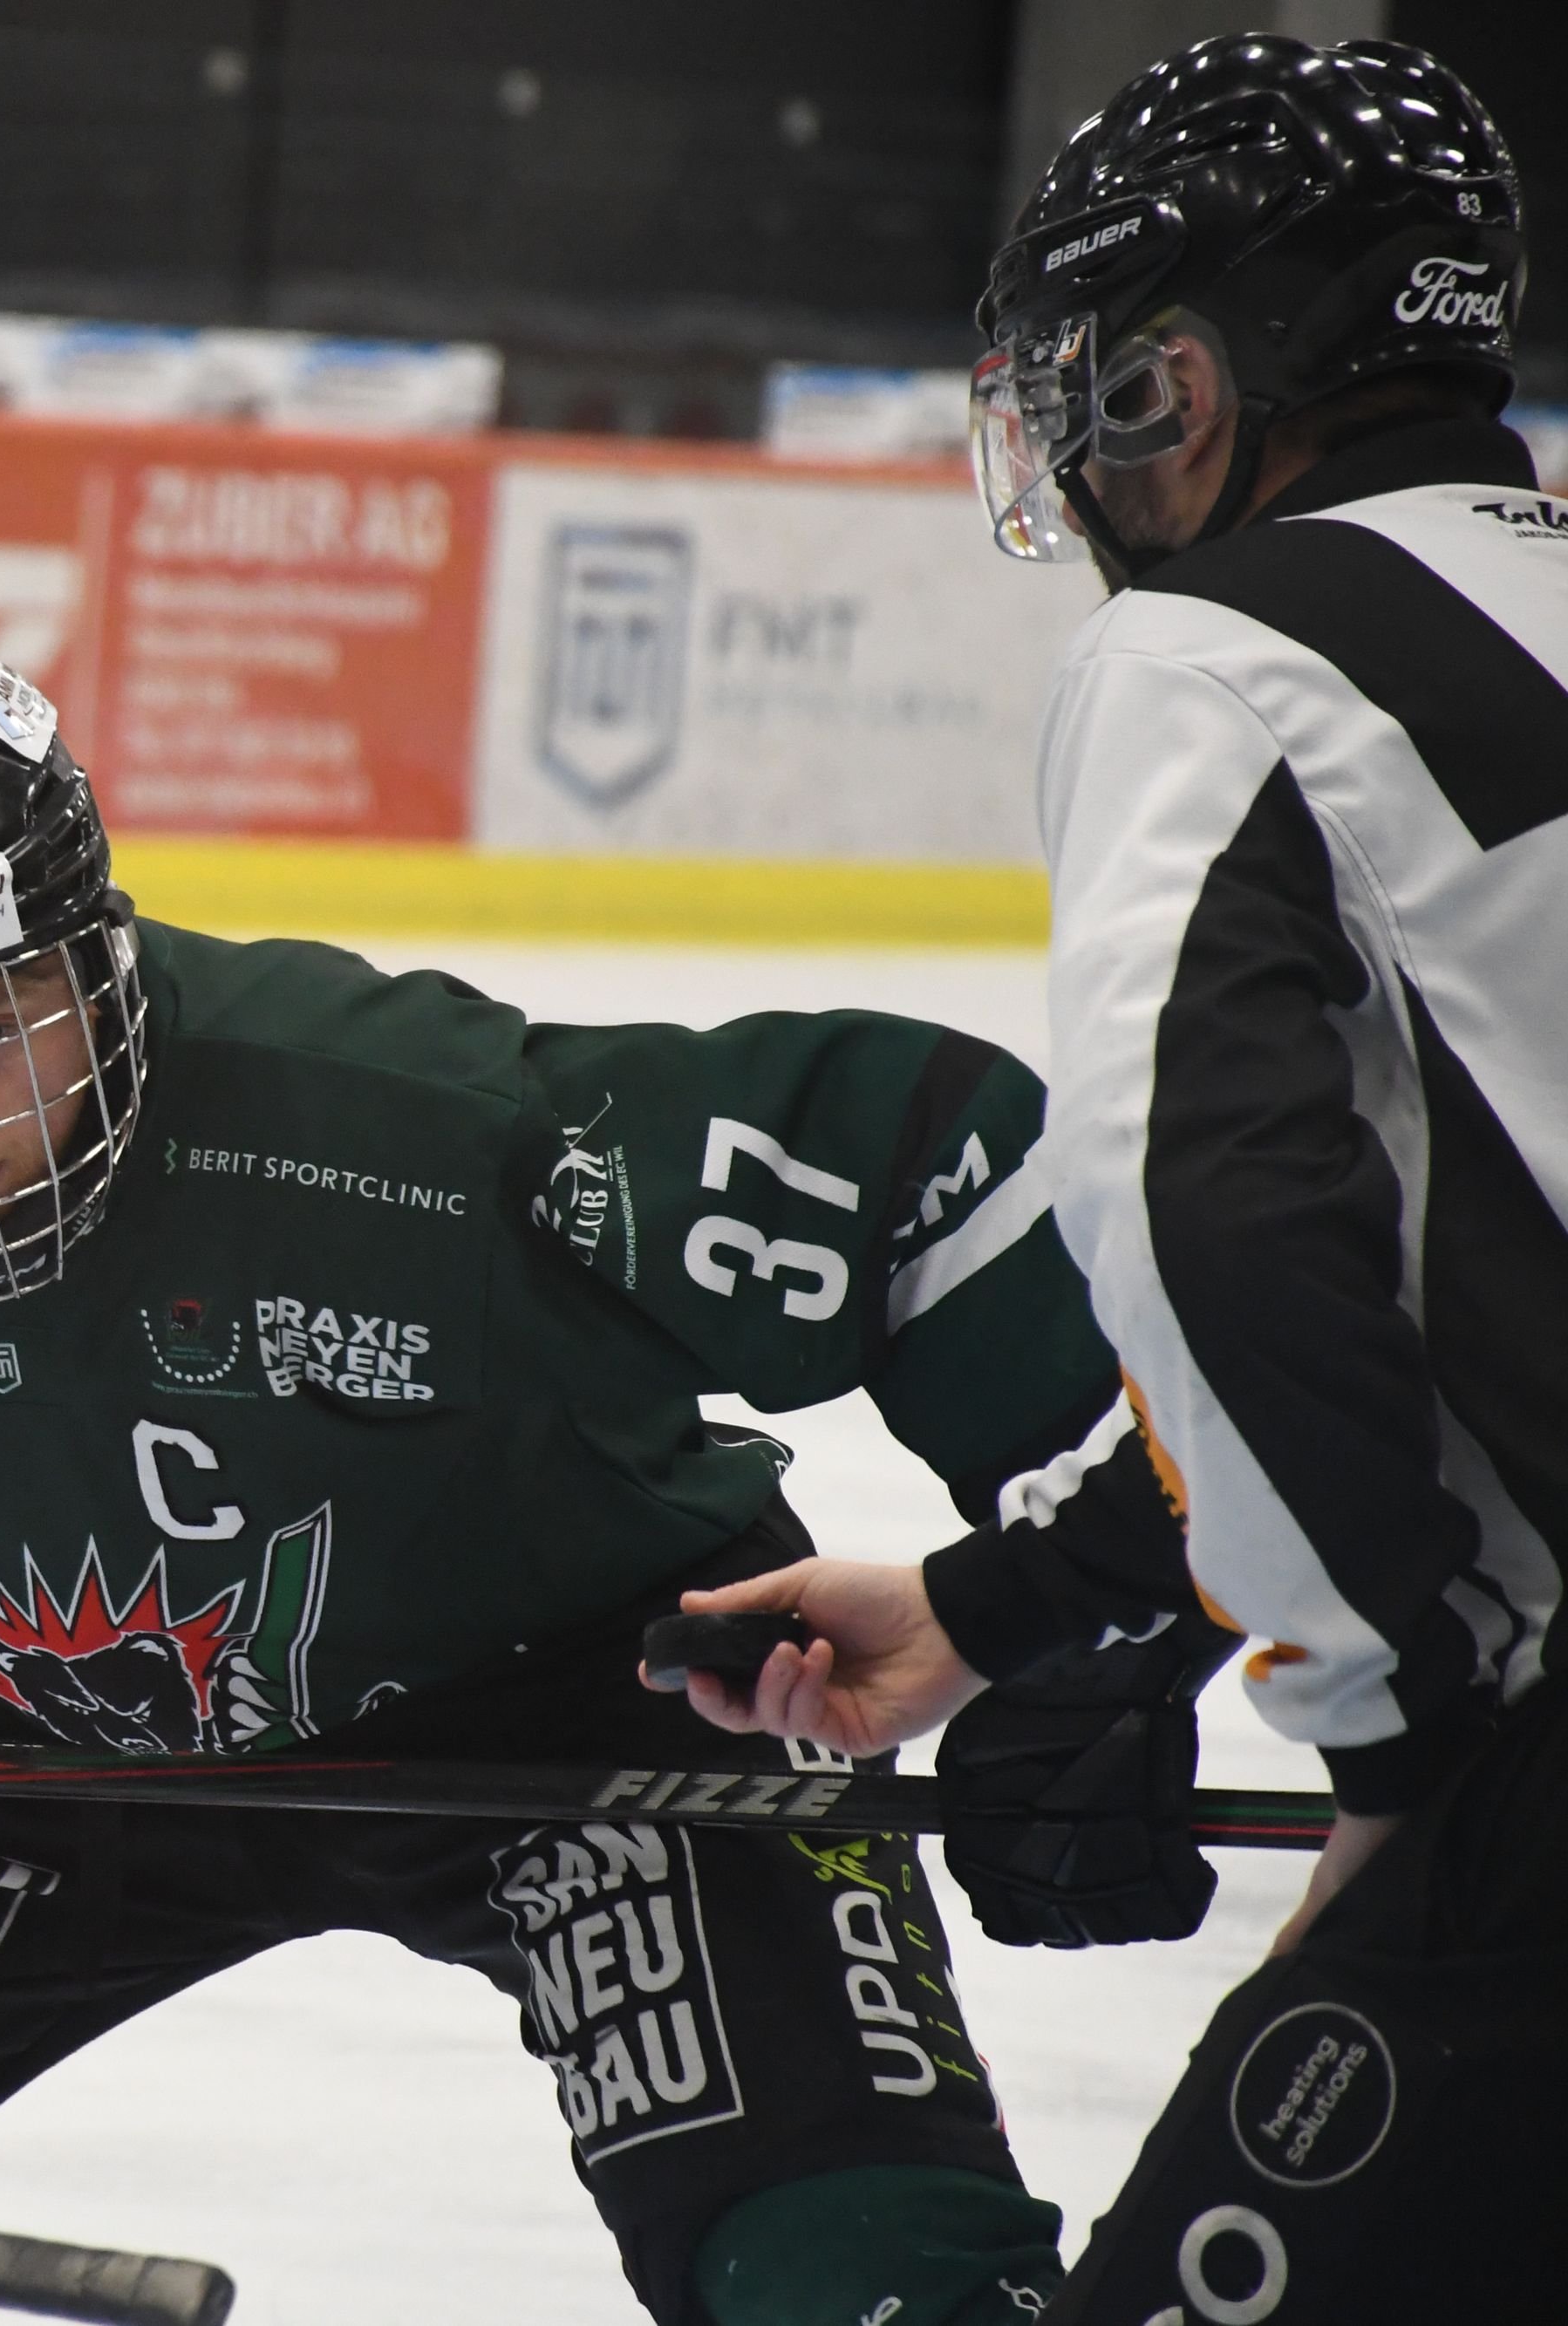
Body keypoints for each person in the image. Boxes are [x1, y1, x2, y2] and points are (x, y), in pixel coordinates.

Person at [0, 653, 1190, 2326]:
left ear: (100, 970)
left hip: (607, 1706)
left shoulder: (399, 1122)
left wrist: (1066, 1626)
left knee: (844, 2263)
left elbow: (933, 1167)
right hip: (47, 1712)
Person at [677, 34, 1568, 2323]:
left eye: (1106, 385)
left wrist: (1398, 1751)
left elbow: (1233, 1236)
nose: (1080, 461)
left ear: (1214, 373)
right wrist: (1001, 1601)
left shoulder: (1216, 657)